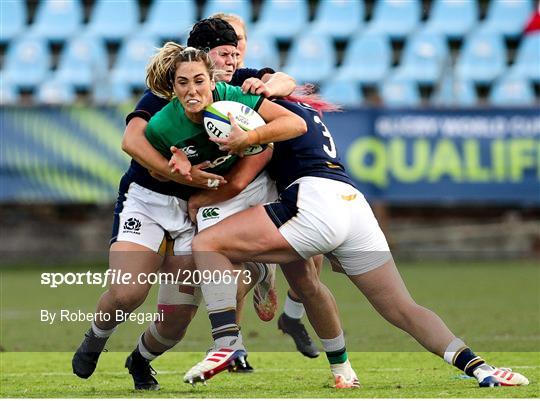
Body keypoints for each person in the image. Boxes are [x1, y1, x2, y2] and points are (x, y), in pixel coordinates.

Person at [178, 95, 531, 388]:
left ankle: (227, 342)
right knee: (401, 307)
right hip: (353, 205)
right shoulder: (304, 109)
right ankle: (479, 368)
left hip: (312, 201)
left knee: (209, 244)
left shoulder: (266, 112)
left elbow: (243, 174)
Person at [71, 17, 296, 389]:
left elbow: (285, 88)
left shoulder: (238, 85)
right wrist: (177, 173)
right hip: (149, 200)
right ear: (204, 58)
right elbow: (132, 141)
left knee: (178, 316)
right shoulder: (170, 91)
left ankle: (140, 360)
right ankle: (96, 335)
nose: (234, 57)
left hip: (198, 211)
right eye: (226, 51)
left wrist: (259, 114)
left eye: (237, 49)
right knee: (128, 291)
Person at [210, 12, 322, 358]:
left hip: (268, 177)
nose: (236, 49)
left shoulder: (246, 76)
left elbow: (286, 80)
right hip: (232, 182)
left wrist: (267, 87)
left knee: (313, 255)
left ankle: (291, 314)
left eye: (240, 41)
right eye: (228, 42)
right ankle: (233, 345)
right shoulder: (198, 83)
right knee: (233, 267)